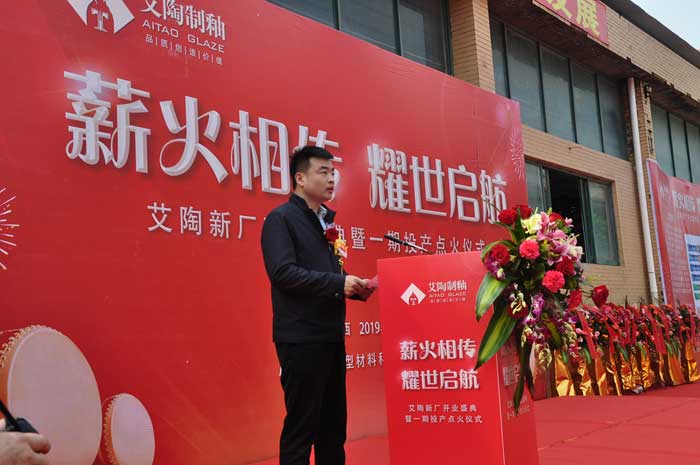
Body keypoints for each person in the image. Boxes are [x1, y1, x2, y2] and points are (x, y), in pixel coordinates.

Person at [261, 145, 374, 465]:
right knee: (302, 428)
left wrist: (355, 286)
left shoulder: (324, 222)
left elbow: (326, 274)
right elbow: (283, 273)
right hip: (301, 339)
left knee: (333, 429)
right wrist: (338, 284)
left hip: (330, 337)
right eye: (323, 172)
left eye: (333, 172)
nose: (331, 179)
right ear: (300, 178)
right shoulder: (281, 220)